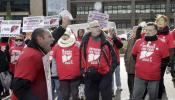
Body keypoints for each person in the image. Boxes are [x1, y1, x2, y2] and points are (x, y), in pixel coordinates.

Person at [11, 28, 54, 100]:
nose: (53, 39)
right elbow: (19, 86)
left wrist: (62, 27)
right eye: (50, 37)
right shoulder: (32, 56)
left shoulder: (37, 51)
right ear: (40, 39)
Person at [80, 20, 118, 100]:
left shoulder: (106, 41)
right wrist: (83, 70)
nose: (97, 28)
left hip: (104, 73)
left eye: (98, 26)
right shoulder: (85, 41)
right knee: (91, 97)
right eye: (95, 27)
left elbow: (114, 58)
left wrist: (110, 70)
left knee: (106, 96)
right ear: (89, 29)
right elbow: (81, 57)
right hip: (89, 73)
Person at [131, 22, 170, 100]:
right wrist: (142, 64)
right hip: (139, 76)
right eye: (146, 30)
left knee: (153, 97)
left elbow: (166, 60)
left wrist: (155, 67)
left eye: (150, 30)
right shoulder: (138, 42)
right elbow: (134, 55)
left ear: (156, 31)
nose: (148, 32)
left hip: (154, 77)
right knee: (136, 97)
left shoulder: (162, 43)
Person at [52, 29, 81, 100]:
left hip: (75, 76)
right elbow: (53, 59)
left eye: (66, 35)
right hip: (63, 76)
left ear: (69, 35)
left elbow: (82, 58)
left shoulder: (76, 45)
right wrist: (54, 72)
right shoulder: (56, 47)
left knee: (75, 94)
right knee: (65, 95)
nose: (64, 37)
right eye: (62, 35)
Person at [155, 14, 175, 99]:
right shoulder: (154, 32)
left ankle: (159, 95)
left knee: (159, 76)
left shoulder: (169, 34)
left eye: (162, 20)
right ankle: (161, 89)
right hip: (154, 58)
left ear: (165, 23)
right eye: (158, 20)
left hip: (164, 59)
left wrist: (170, 61)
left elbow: (171, 48)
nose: (160, 22)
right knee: (157, 77)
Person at [124, 26, 142, 98]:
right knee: (130, 80)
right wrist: (126, 61)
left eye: (135, 31)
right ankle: (131, 94)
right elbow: (126, 52)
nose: (134, 33)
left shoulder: (141, 40)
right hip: (129, 65)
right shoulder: (130, 40)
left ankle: (136, 95)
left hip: (138, 66)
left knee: (137, 81)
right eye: (133, 31)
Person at [108, 27, 123, 94]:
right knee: (111, 75)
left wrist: (114, 38)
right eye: (110, 31)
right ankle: (111, 88)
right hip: (109, 60)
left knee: (117, 74)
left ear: (115, 31)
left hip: (117, 60)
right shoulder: (107, 39)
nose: (111, 32)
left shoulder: (117, 38)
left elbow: (120, 46)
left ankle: (119, 86)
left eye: (112, 31)